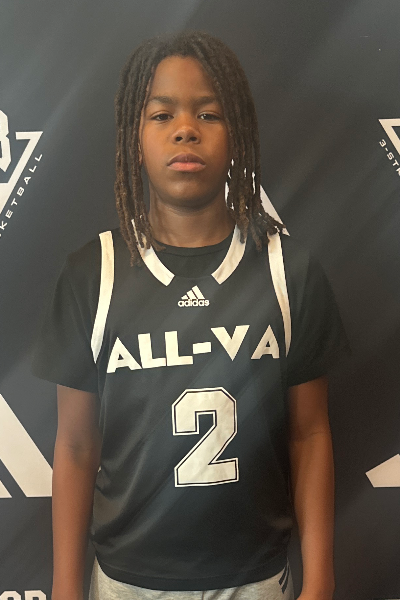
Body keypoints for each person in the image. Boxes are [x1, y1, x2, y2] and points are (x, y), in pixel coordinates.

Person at [32, 31, 349, 600]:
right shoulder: (92, 274)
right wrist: (64, 587)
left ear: (237, 135)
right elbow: (76, 446)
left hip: (255, 578)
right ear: (134, 139)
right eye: (162, 115)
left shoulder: (287, 270)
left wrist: (320, 580)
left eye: (208, 113)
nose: (185, 129)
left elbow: (310, 434)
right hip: (127, 581)